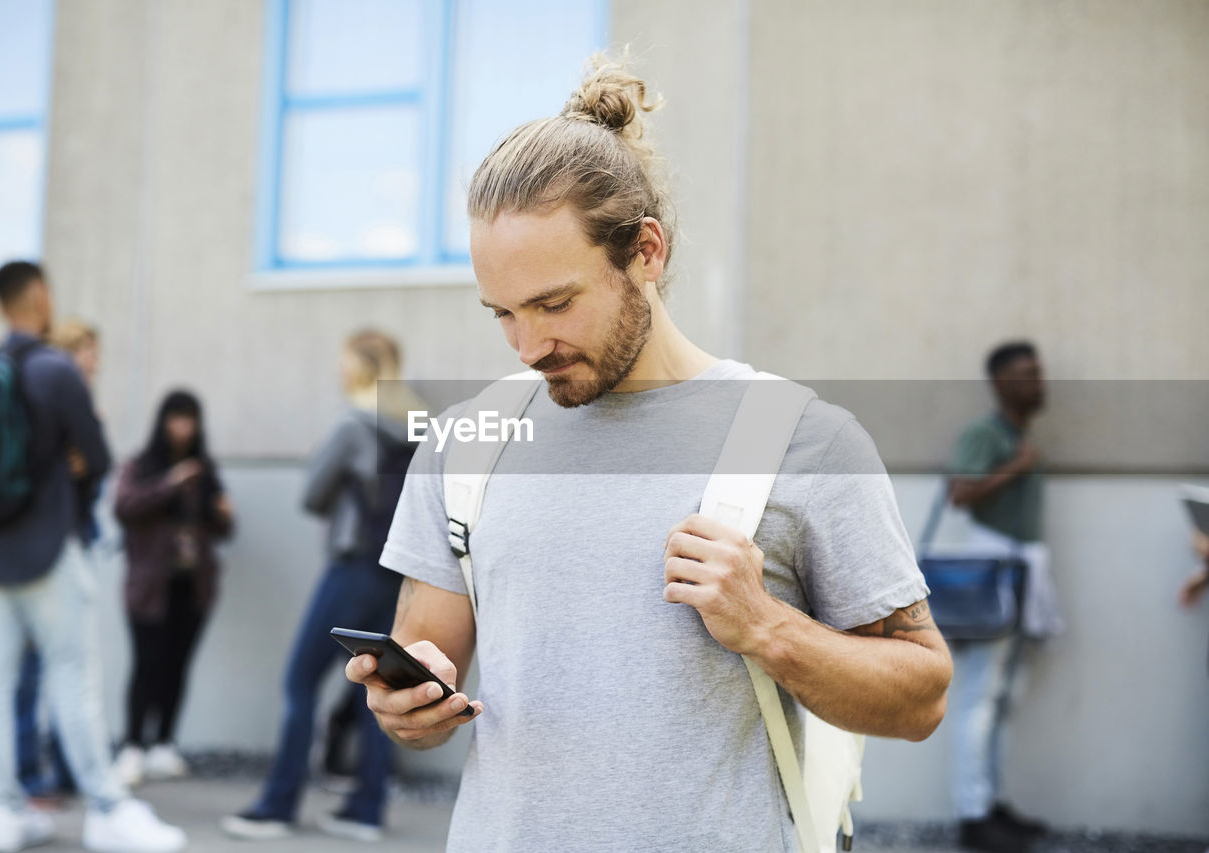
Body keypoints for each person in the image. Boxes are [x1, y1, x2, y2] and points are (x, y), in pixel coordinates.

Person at [344, 56, 953, 851]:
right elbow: (427, 684)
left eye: (555, 303)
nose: (529, 345)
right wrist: (407, 709)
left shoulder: (804, 440)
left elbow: (921, 697)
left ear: (647, 253)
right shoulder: (468, 442)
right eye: (502, 313)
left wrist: (767, 625)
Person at [0, 261, 186, 852]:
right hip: (48, 548)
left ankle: (4, 813)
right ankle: (108, 808)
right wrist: (75, 481)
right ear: (38, 295)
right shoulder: (54, 369)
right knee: (73, 676)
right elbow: (99, 456)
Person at [222, 330, 419, 843]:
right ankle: (365, 810)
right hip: (395, 574)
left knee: (299, 682)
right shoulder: (415, 426)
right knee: (376, 685)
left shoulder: (353, 424)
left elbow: (312, 495)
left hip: (352, 566)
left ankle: (278, 804)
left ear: (358, 368)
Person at [945, 341, 1061, 853]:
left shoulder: (1017, 434)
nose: (1038, 382)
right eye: (1025, 374)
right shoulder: (986, 435)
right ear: (999, 383)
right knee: (979, 696)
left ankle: (992, 804)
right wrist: (1016, 466)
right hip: (992, 581)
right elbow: (959, 492)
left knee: (1003, 697)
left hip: (1018, 577)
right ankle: (973, 815)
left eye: (1039, 372)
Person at [113, 391, 234, 787]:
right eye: (176, 418)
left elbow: (223, 530)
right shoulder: (141, 466)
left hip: (192, 584)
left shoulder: (205, 470)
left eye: (190, 419)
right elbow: (125, 508)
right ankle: (133, 745)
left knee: (178, 665)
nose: (183, 428)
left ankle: (163, 742)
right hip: (149, 586)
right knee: (147, 665)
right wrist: (170, 483)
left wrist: (221, 514)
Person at [14, 318, 101, 805]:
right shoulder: (38, 406)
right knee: (31, 668)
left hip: (73, 547)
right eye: (88, 351)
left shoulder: (86, 409)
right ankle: (28, 778)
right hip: (38, 553)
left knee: (73, 668)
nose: (96, 362)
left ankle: (70, 773)